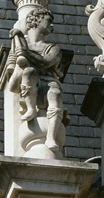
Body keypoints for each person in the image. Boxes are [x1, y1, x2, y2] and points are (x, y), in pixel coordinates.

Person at [7, 8, 65, 151]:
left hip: (49, 82)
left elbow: (46, 63)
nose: (52, 26)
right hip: (31, 81)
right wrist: (17, 64)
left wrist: (26, 54)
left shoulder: (53, 48)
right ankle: (31, 108)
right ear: (36, 20)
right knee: (29, 71)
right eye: (49, 21)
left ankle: (50, 137)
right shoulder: (19, 47)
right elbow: (13, 85)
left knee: (55, 94)